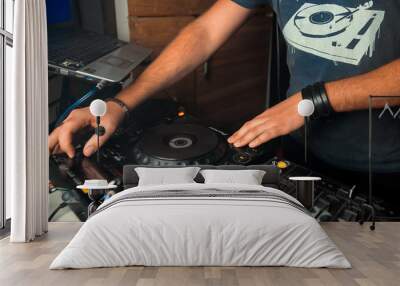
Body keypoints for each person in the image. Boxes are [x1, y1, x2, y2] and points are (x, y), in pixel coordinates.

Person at [49, 0, 400, 174]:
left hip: (387, 167)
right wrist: (122, 103)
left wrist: (313, 100)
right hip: (302, 152)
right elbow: (204, 33)